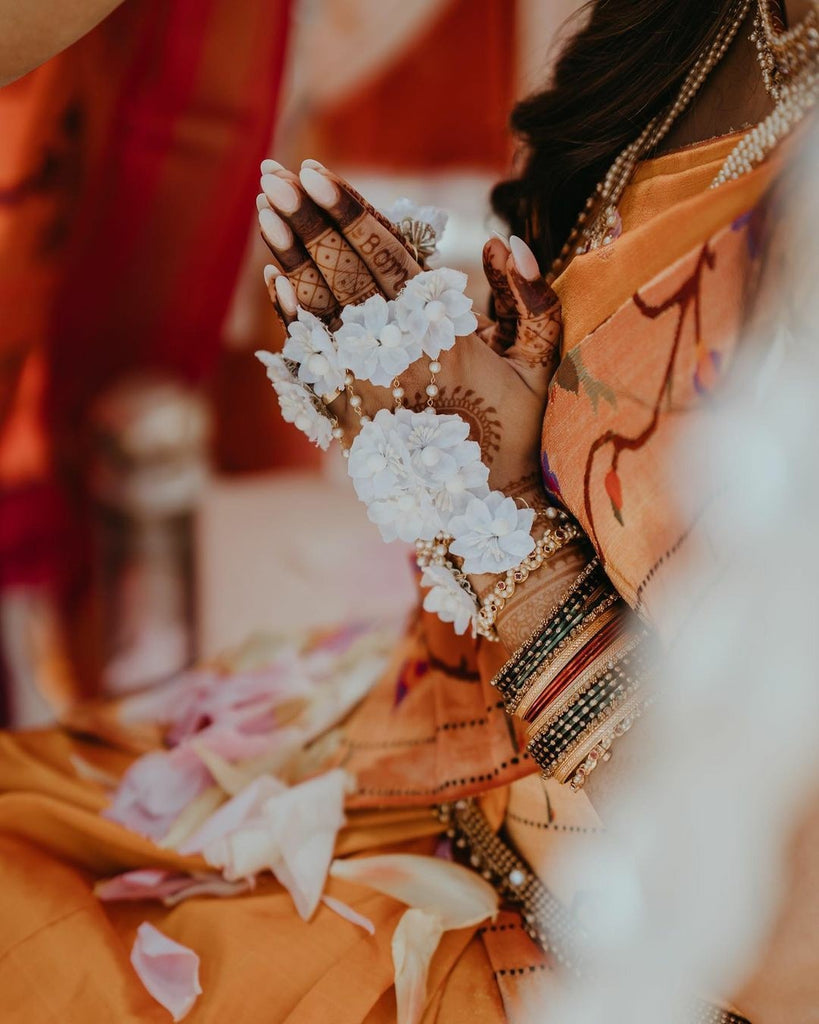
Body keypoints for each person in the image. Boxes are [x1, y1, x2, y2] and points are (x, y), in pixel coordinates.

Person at [0, 1, 815, 1021]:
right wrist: (486, 409)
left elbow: (795, 942)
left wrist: (503, 539)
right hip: (411, 761)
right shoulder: (735, 20)